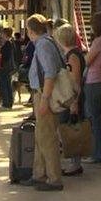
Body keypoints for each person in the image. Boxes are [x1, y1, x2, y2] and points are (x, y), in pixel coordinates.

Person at [21, 14, 64, 191]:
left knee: (47, 137)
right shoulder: (46, 42)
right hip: (41, 93)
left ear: (30, 31)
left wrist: (44, 99)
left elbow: (50, 73)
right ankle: (39, 174)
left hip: (45, 94)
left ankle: (54, 179)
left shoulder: (44, 45)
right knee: (40, 136)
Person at [54, 24, 85, 176]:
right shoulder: (73, 54)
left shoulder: (72, 57)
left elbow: (75, 80)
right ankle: (72, 161)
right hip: (68, 98)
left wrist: (74, 103)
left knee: (70, 130)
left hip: (71, 98)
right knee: (68, 130)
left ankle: (74, 163)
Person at [82, 13, 101, 164]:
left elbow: (87, 61)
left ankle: (96, 154)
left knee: (93, 120)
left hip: (92, 82)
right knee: (97, 120)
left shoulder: (99, 41)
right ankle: (98, 153)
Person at [0, 27, 16, 109]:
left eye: (2, 33)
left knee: (5, 85)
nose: (1, 35)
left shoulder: (8, 43)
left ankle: (6, 103)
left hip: (5, 67)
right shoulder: (10, 42)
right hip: (8, 66)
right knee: (8, 84)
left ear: (5, 34)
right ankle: (9, 102)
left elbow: (6, 56)